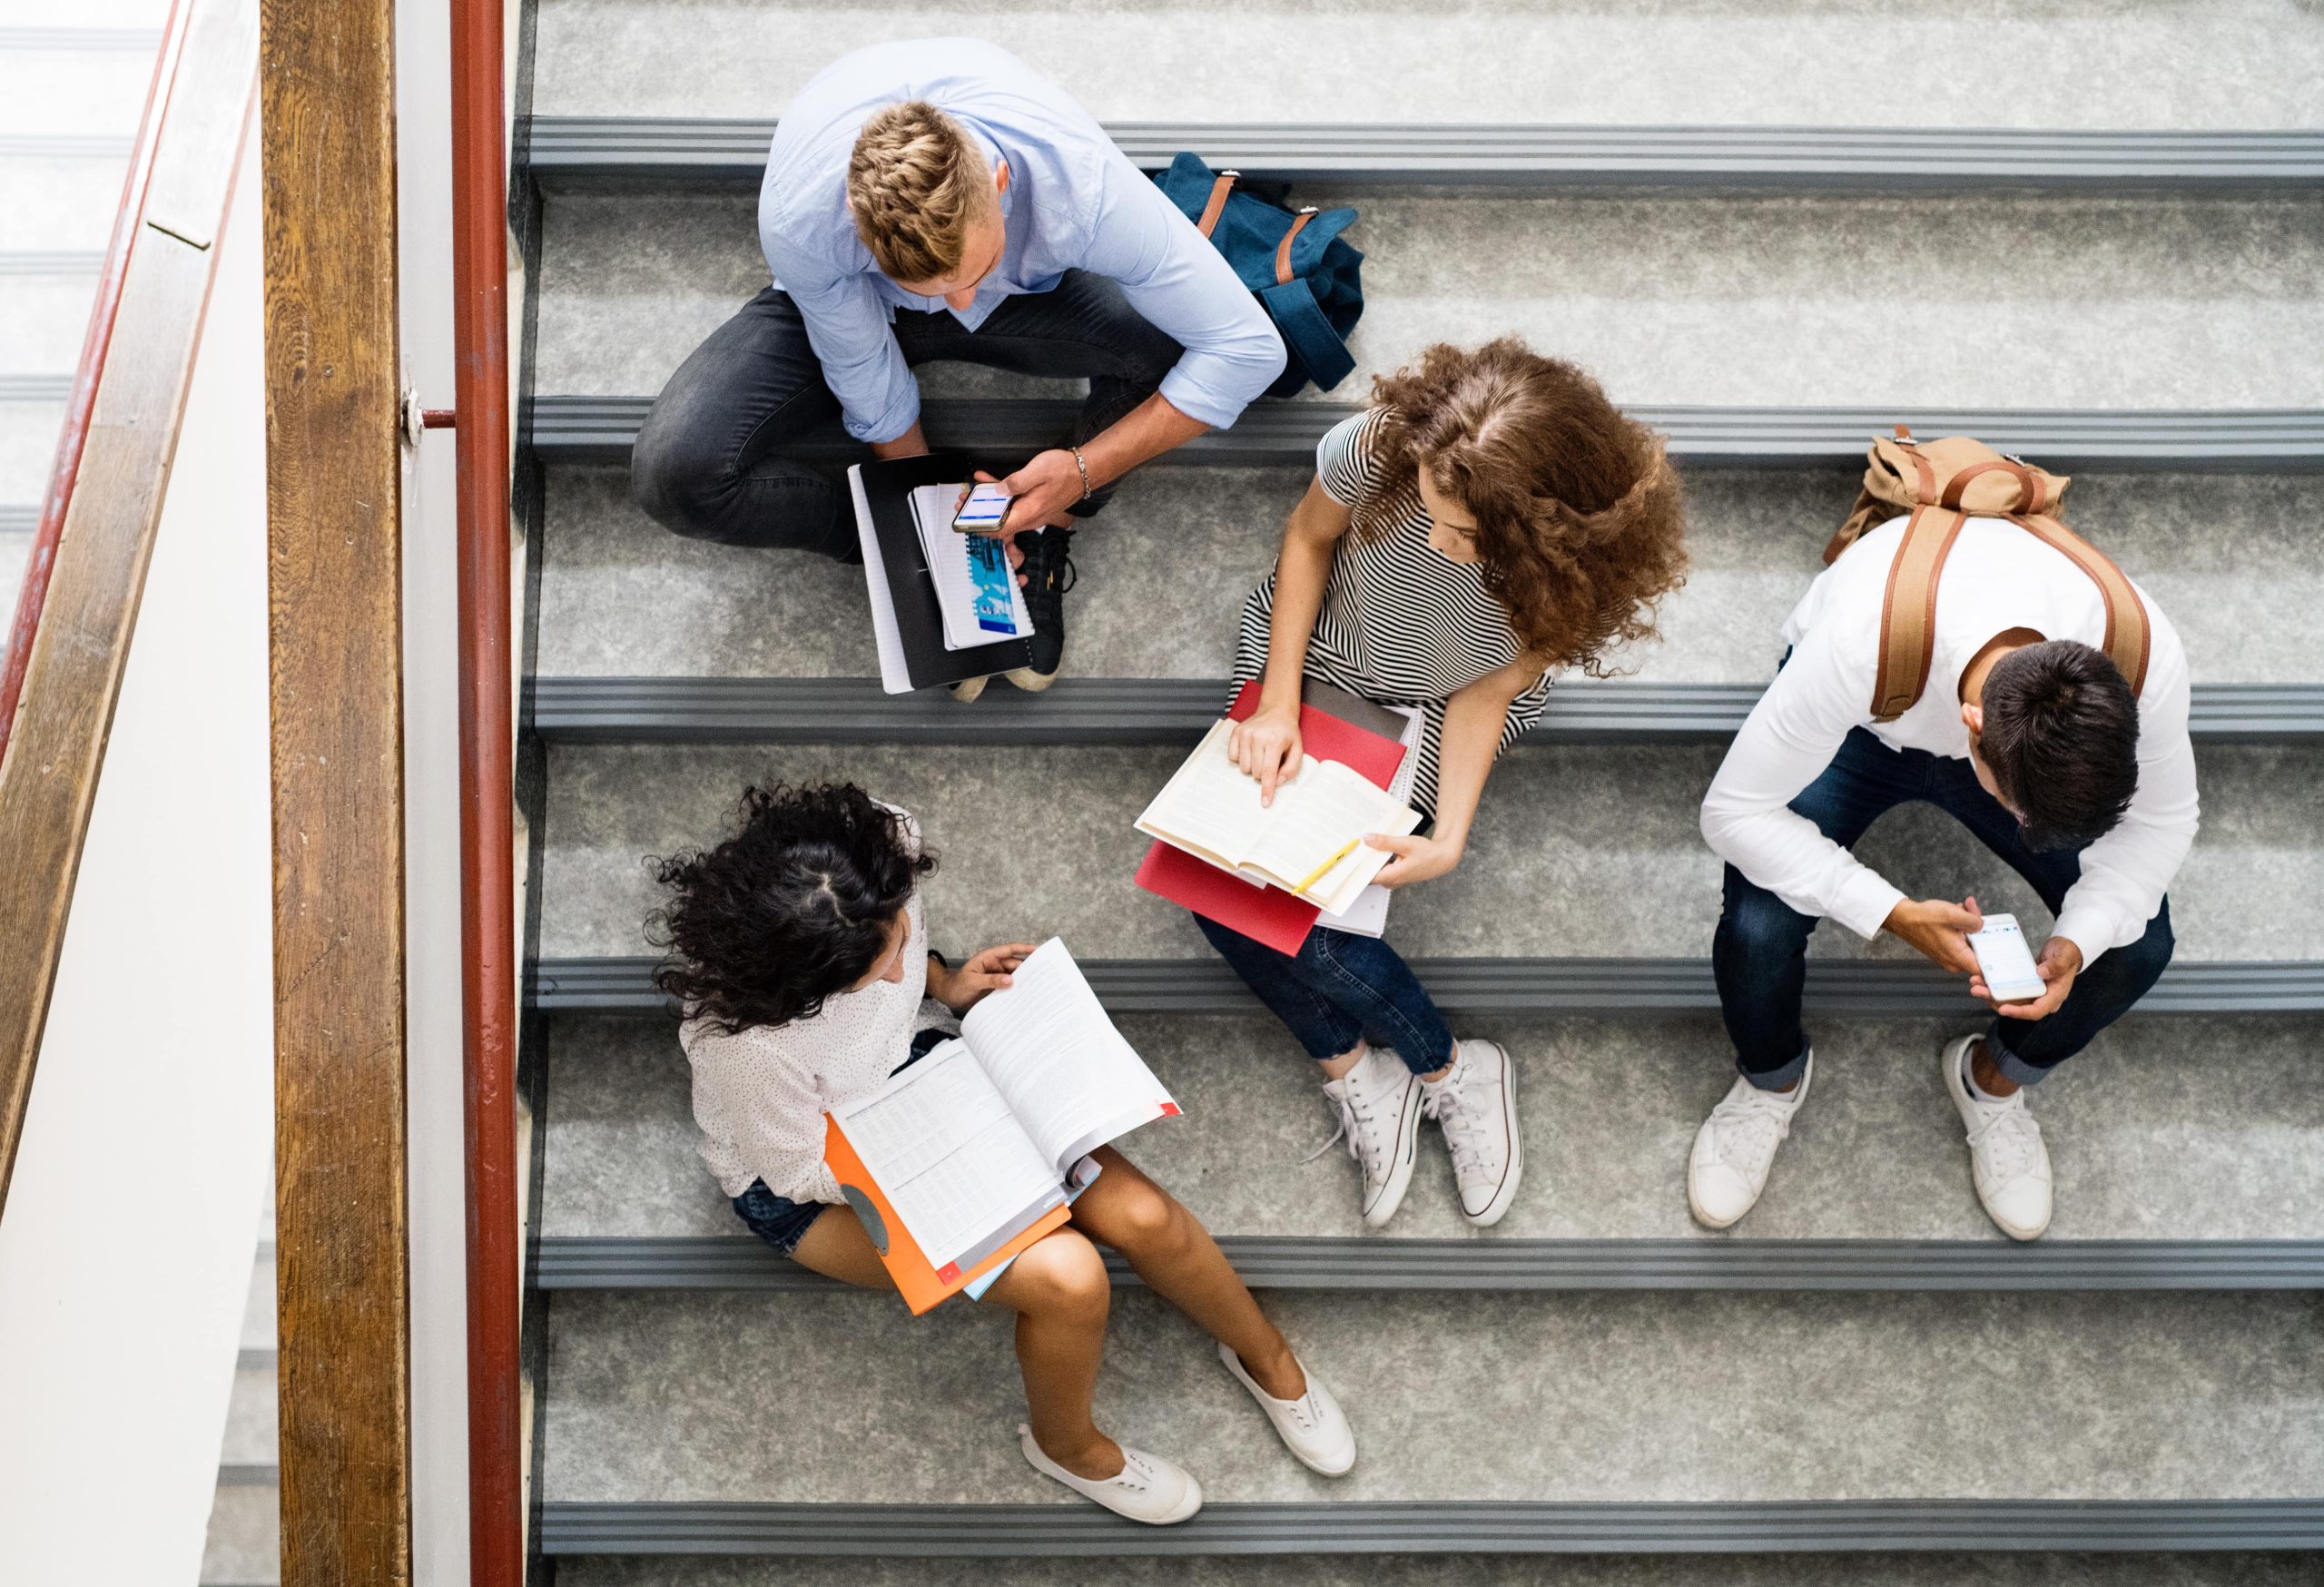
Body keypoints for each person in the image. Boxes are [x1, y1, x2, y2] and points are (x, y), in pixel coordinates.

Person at [650, 782, 1353, 1524]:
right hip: (821, 1177)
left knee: (1142, 1217)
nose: (897, 971)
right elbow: (798, 1173)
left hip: (928, 1074)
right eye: (870, 971)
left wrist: (946, 984)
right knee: (1070, 1277)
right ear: (800, 982)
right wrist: (957, 1151)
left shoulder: (884, 844)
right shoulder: (746, 1046)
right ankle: (1068, 1445)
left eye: (897, 939)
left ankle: (1266, 1357)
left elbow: (904, 964)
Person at [628, 37, 1286, 695]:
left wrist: (1083, 472)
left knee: (1170, 343)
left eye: (972, 272)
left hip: (1029, 297)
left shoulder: (1082, 184)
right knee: (675, 473)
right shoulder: (805, 218)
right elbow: (865, 372)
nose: (960, 304)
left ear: (1000, 186)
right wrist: (930, 527)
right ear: (859, 229)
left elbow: (1249, 349)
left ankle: (1047, 518)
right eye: (934, 286)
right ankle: (894, 542)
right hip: (858, 303)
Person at [1209, 340, 1689, 1230]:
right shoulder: (1380, 448)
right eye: (1432, 509)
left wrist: (1451, 830)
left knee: (1301, 913)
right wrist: (1277, 704)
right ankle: (1397, 1067)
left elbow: (1489, 686)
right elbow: (1309, 539)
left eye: (1465, 534)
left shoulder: (1578, 567)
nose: (1439, 539)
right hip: (1313, 659)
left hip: (1436, 708)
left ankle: (1414, 1069)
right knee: (1215, 887)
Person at [1693, 506, 2197, 1241]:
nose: (2030, 839)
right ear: (1971, 730)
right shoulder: (1859, 643)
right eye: (2024, 818)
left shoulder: (2145, 662)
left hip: (1976, 722)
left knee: (2140, 944)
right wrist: (1887, 909)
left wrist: (2080, 942)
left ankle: (1994, 1082)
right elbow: (1732, 813)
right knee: (1757, 925)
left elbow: (2164, 822)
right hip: (1867, 722)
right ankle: (1769, 1080)